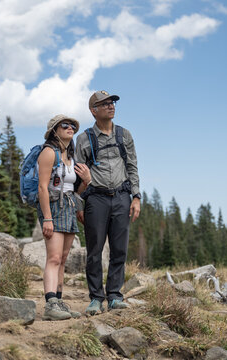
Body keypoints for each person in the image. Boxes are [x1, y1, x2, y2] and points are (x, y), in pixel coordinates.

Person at [74, 90, 141, 316]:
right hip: (95, 199)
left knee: (119, 249)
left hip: (122, 197)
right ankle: (95, 299)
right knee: (94, 251)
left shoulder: (124, 135)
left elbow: (132, 166)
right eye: (104, 104)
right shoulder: (83, 139)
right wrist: (79, 206)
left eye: (112, 102)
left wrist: (136, 197)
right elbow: (78, 176)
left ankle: (114, 296)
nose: (111, 106)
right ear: (94, 111)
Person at [37, 114, 88, 321]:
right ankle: (50, 304)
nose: (70, 128)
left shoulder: (71, 157)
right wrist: (47, 218)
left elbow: (76, 191)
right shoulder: (49, 153)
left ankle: (59, 303)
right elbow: (42, 187)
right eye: (64, 125)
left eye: (73, 126)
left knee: (63, 259)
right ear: (54, 131)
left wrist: (86, 180)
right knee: (54, 257)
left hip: (69, 206)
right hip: (53, 207)